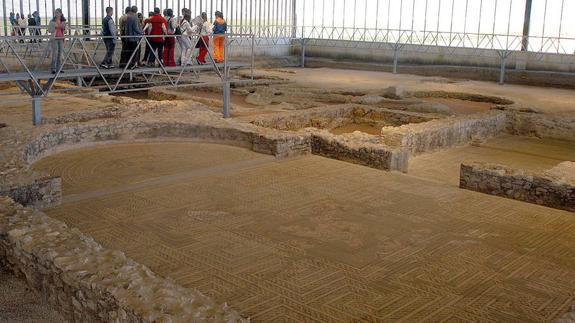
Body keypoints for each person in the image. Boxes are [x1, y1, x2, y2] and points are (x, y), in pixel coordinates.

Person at [48, 8, 66, 74]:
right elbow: (49, 30)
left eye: (58, 13)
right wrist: (54, 27)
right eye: (55, 13)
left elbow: (65, 31)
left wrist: (63, 28)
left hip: (61, 38)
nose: (56, 14)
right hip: (55, 38)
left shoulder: (63, 21)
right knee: (55, 53)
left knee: (60, 53)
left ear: (61, 14)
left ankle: (59, 68)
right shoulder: (52, 21)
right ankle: (53, 69)